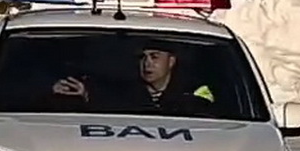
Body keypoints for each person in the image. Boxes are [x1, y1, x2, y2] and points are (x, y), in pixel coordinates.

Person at [51, 39, 217, 116]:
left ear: (171, 61)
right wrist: (84, 94)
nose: (147, 63)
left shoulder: (194, 93)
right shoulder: (123, 93)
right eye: (142, 58)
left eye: (155, 56)